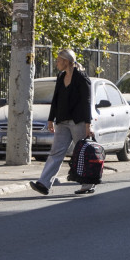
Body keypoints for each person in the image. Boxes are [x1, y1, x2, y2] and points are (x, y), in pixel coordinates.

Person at [29, 49, 96, 196]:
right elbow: (56, 100)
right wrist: (50, 119)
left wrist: (88, 124)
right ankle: (44, 184)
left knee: (81, 153)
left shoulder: (82, 78)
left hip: (78, 122)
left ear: (66, 61)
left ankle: (88, 183)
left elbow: (87, 102)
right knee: (56, 152)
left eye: (59, 60)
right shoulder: (61, 76)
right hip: (62, 121)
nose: (57, 63)